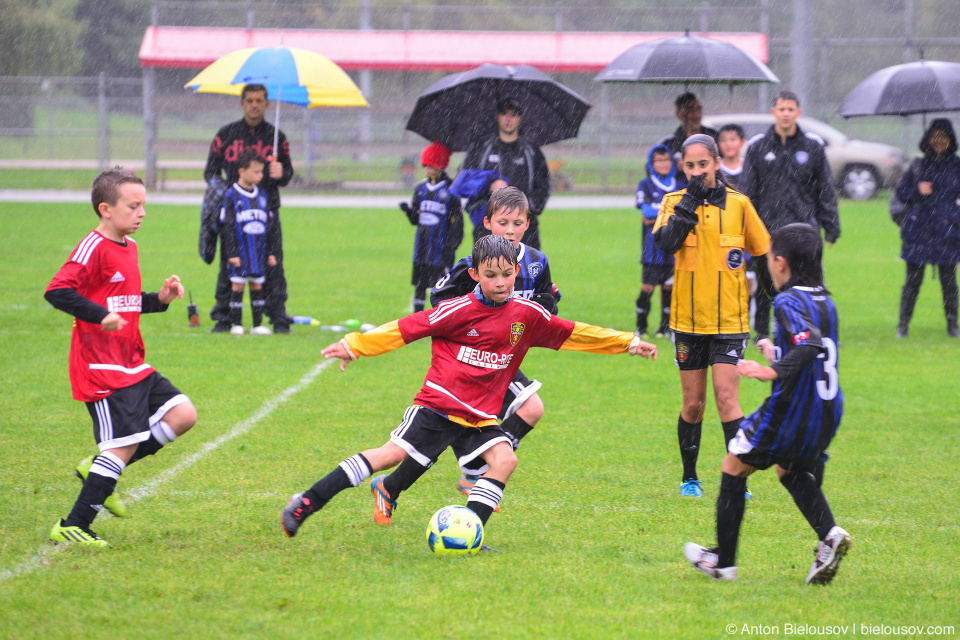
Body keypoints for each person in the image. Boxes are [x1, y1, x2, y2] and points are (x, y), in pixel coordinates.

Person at [280, 234, 657, 540]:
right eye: (491, 275)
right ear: (475, 274)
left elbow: (574, 333)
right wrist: (356, 344)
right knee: (389, 455)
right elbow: (405, 328)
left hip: (479, 416)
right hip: (439, 406)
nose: (501, 283)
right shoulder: (456, 310)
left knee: (505, 460)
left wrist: (628, 342)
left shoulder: (527, 315)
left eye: (507, 274)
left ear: (516, 271)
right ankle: (307, 502)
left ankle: (467, 535)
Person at [684, 223, 851, 584]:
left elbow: (810, 346)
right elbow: (815, 349)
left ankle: (723, 563)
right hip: (827, 409)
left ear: (779, 262)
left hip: (793, 409)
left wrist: (769, 371)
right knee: (788, 470)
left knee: (733, 465)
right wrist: (778, 351)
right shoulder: (825, 300)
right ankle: (830, 536)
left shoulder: (788, 300)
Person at [44, 168, 198, 546]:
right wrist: (99, 315)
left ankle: (97, 468)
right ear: (106, 209)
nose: (142, 212)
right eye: (133, 205)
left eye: (143, 204)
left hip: (131, 361)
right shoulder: (93, 246)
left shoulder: (129, 247)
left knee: (183, 415)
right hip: (101, 366)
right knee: (123, 445)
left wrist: (158, 300)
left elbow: (124, 303)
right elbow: (57, 291)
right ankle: (74, 525)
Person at [654, 134, 773, 497]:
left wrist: (778, 306)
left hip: (730, 322)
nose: (696, 171)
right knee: (693, 404)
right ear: (682, 167)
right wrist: (688, 203)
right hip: (688, 322)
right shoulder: (673, 202)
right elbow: (666, 244)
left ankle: (736, 478)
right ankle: (690, 477)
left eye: (703, 164)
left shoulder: (739, 204)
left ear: (717, 163)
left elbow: (763, 257)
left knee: (726, 397)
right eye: (689, 166)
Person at [431, 187, 559, 497]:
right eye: (503, 223)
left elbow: (547, 312)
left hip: (500, 361)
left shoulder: (537, 263)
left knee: (434, 441)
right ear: (488, 223)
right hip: (470, 360)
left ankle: (391, 486)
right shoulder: (474, 263)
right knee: (530, 408)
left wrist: (546, 307)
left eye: (517, 223)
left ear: (528, 224)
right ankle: (481, 468)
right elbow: (439, 300)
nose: (511, 231)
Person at [740, 91, 840, 342]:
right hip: (767, 228)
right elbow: (747, 191)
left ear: (798, 113)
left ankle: (809, 327)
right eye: (781, 109)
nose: (786, 114)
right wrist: (744, 227)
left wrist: (831, 225)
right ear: (774, 112)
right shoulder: (758, 147)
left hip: (803, 229)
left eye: (790, 109)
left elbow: (825, 189)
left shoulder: (813, 147)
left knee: (807, 281)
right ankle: (763, 332)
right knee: (767, 283)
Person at [205, 84, 294, 334]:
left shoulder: (277, 138)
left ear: (267, 104)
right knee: (231, 262)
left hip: (267, 212)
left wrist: (280, 173)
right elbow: (210, 172)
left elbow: (288, 174)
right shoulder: (227, 134)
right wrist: (229, 195)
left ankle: (277, 316)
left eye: (259, 100)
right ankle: (224, 317)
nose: (254, 105)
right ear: (242, 103)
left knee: (272, 262)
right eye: (250, 100)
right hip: (236, 212)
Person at [894, 118, 960, 339]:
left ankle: (952, 326)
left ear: (951, 140)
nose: (938, 141)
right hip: (918, 232)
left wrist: (953, 217)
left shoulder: (957, 167)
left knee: (949, 284)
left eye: (943, 136)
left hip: (947, 232)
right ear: (928, 139)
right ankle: (903, 325)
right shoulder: (918, 166)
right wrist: (917, 189)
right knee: (912, 282)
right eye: (934, 136)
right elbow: (901, 194)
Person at [459, 97, 551, 249]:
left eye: (513, 114)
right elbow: (464, 181)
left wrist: (523, 209)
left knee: (526, 272)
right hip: (488, 229)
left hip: (524, 231)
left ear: (520, 118)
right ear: (497, 116)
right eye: (504, 113)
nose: (508, 119)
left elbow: (544, 186)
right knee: (489, 272)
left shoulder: (531, 151)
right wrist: (489, 185)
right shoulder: (481, 148)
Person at [400, 141, 463, 312]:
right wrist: (408, 211)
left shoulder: (451, 190)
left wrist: (451, 244)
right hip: (421, 248)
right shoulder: (420, 188)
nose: (428, 169)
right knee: (420, 285)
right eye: (425, 165)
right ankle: (417, 317)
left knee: (442, 285)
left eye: (431, 165)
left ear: (441, 166)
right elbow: (416, 220)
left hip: (441, 250)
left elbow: (457, 221)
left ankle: (443, 316)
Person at [221, 149, 278, 336]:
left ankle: (257, 324)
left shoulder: (262, 195)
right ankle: (236, 323)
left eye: (261, 172)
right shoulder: (232, 196)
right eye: (256, 172)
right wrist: (232, 254)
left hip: (258, 252)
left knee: (257, 286)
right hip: (241, 252)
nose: (260, 175)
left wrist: (270, 252)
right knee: (237, 286)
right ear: (241, 171)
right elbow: (227, 227)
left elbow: (268, 227)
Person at [635, 143, 681, 337]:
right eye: (659, 160)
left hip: (673, 246)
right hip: (652, 247)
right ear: (652, 163)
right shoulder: (645, 185)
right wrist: (671, 212)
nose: (664, 163)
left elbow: (684, 212)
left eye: (667, 159)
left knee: (669, 287)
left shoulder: (679, 185)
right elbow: (646, 214)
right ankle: (641, 327)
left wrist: (659, 212)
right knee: (648, 287)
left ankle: (665, 328)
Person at [659, 92, 719, 163]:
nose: (696, 115)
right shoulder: (669, 144)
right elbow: (653, 167)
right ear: (679, 115)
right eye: (690, 111)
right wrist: (674, 167)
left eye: (698, 109)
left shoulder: (715, 137)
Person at [717, 123, 746, 190]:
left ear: (742, 142)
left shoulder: (749, 166)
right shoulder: (715, 167)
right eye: (723, 140)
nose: (728, 144)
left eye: (733, 139)